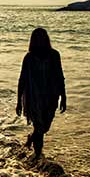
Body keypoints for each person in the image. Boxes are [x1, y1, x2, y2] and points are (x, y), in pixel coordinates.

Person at [16, 28, 67, 160]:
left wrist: (64, 97)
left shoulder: (54, 55)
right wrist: (18, 102)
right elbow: (22, 79)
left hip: (51, 97)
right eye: (37, 39)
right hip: (34, 97)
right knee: (39, 127)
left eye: (42, 38)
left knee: (44, 127)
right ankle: (37, 156)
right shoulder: (29, 57)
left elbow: (60, 76)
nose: (39, 41)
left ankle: (31, 139)